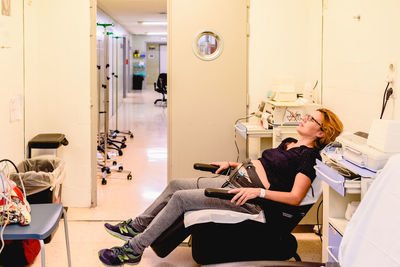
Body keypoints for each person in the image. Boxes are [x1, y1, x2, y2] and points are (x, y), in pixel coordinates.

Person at [98, 108, 343, 266]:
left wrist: (257, 192)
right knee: (175, 184)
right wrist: (232, 164)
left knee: (181, 199)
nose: (304, 118)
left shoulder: (308, 158)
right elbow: (263, 166)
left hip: (249, 200)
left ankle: (134, 249)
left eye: (312, 119)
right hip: (236, 178)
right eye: (308, 115)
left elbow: (295, 197)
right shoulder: (289, 143)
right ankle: (138, 225)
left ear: (321, 132)